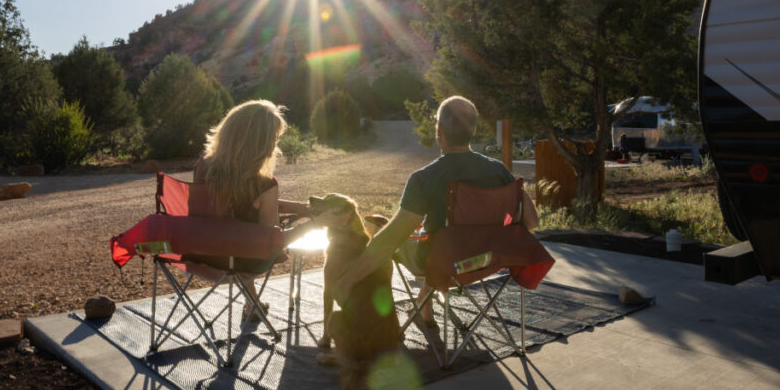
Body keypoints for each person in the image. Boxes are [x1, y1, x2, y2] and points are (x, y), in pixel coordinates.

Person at [333, 96, 539, 327]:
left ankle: (390, 318)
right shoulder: (498, 171)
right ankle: (425, 308)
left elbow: (391, 239)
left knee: (388, 234)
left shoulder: (424, 179)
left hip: (443, 264)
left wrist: (346, 281)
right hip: (486, 260)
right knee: (438, 237)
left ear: (439, 130)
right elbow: (531, 221)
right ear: (473, 130)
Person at [193, 99, 343, 320]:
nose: (275, 145)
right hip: (241, 261)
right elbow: (274, 242)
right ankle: (253, 304)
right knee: (248, 241)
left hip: (200, 255)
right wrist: (314, 224)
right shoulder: (264, 185)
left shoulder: (204, 166)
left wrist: (300, 208)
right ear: (260, 143)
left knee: (240, 233)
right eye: (273, 138)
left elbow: (239, 207)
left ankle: (252, 304)